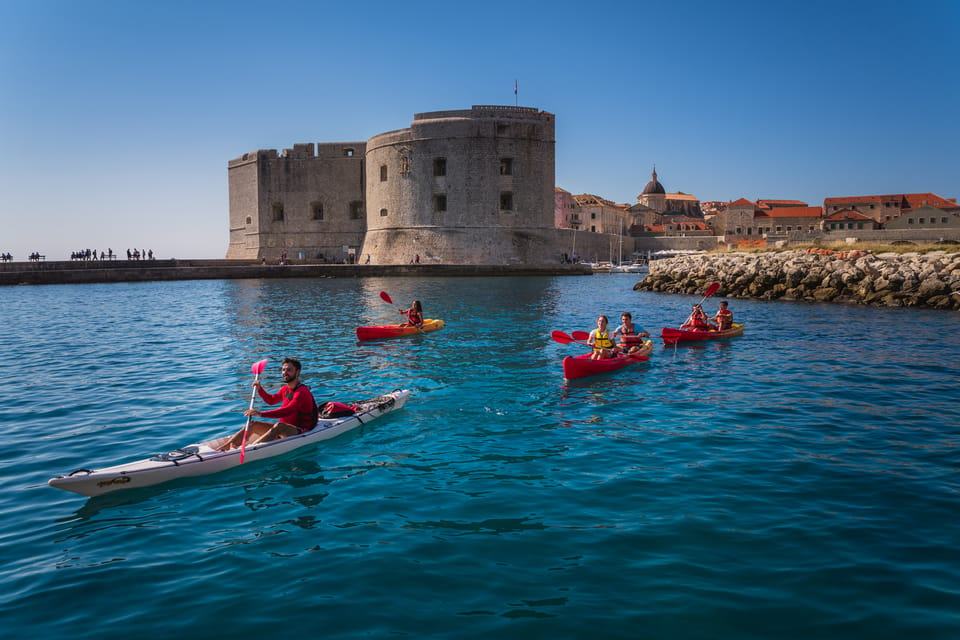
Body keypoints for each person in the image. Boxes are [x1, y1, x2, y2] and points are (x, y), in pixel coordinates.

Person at [217, 358, 318, 450]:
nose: (285, 373)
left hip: (298, 430)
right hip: (283, 430)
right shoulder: (285, 389)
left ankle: (250, 450)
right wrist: (260, 389)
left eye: (289, 370)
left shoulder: (302, 392)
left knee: (279, 426)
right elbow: (271, 400)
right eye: (283, 370)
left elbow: (288, 411)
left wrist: (261, 414)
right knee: (253, 424)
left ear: (297, 372)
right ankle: (222, 450)